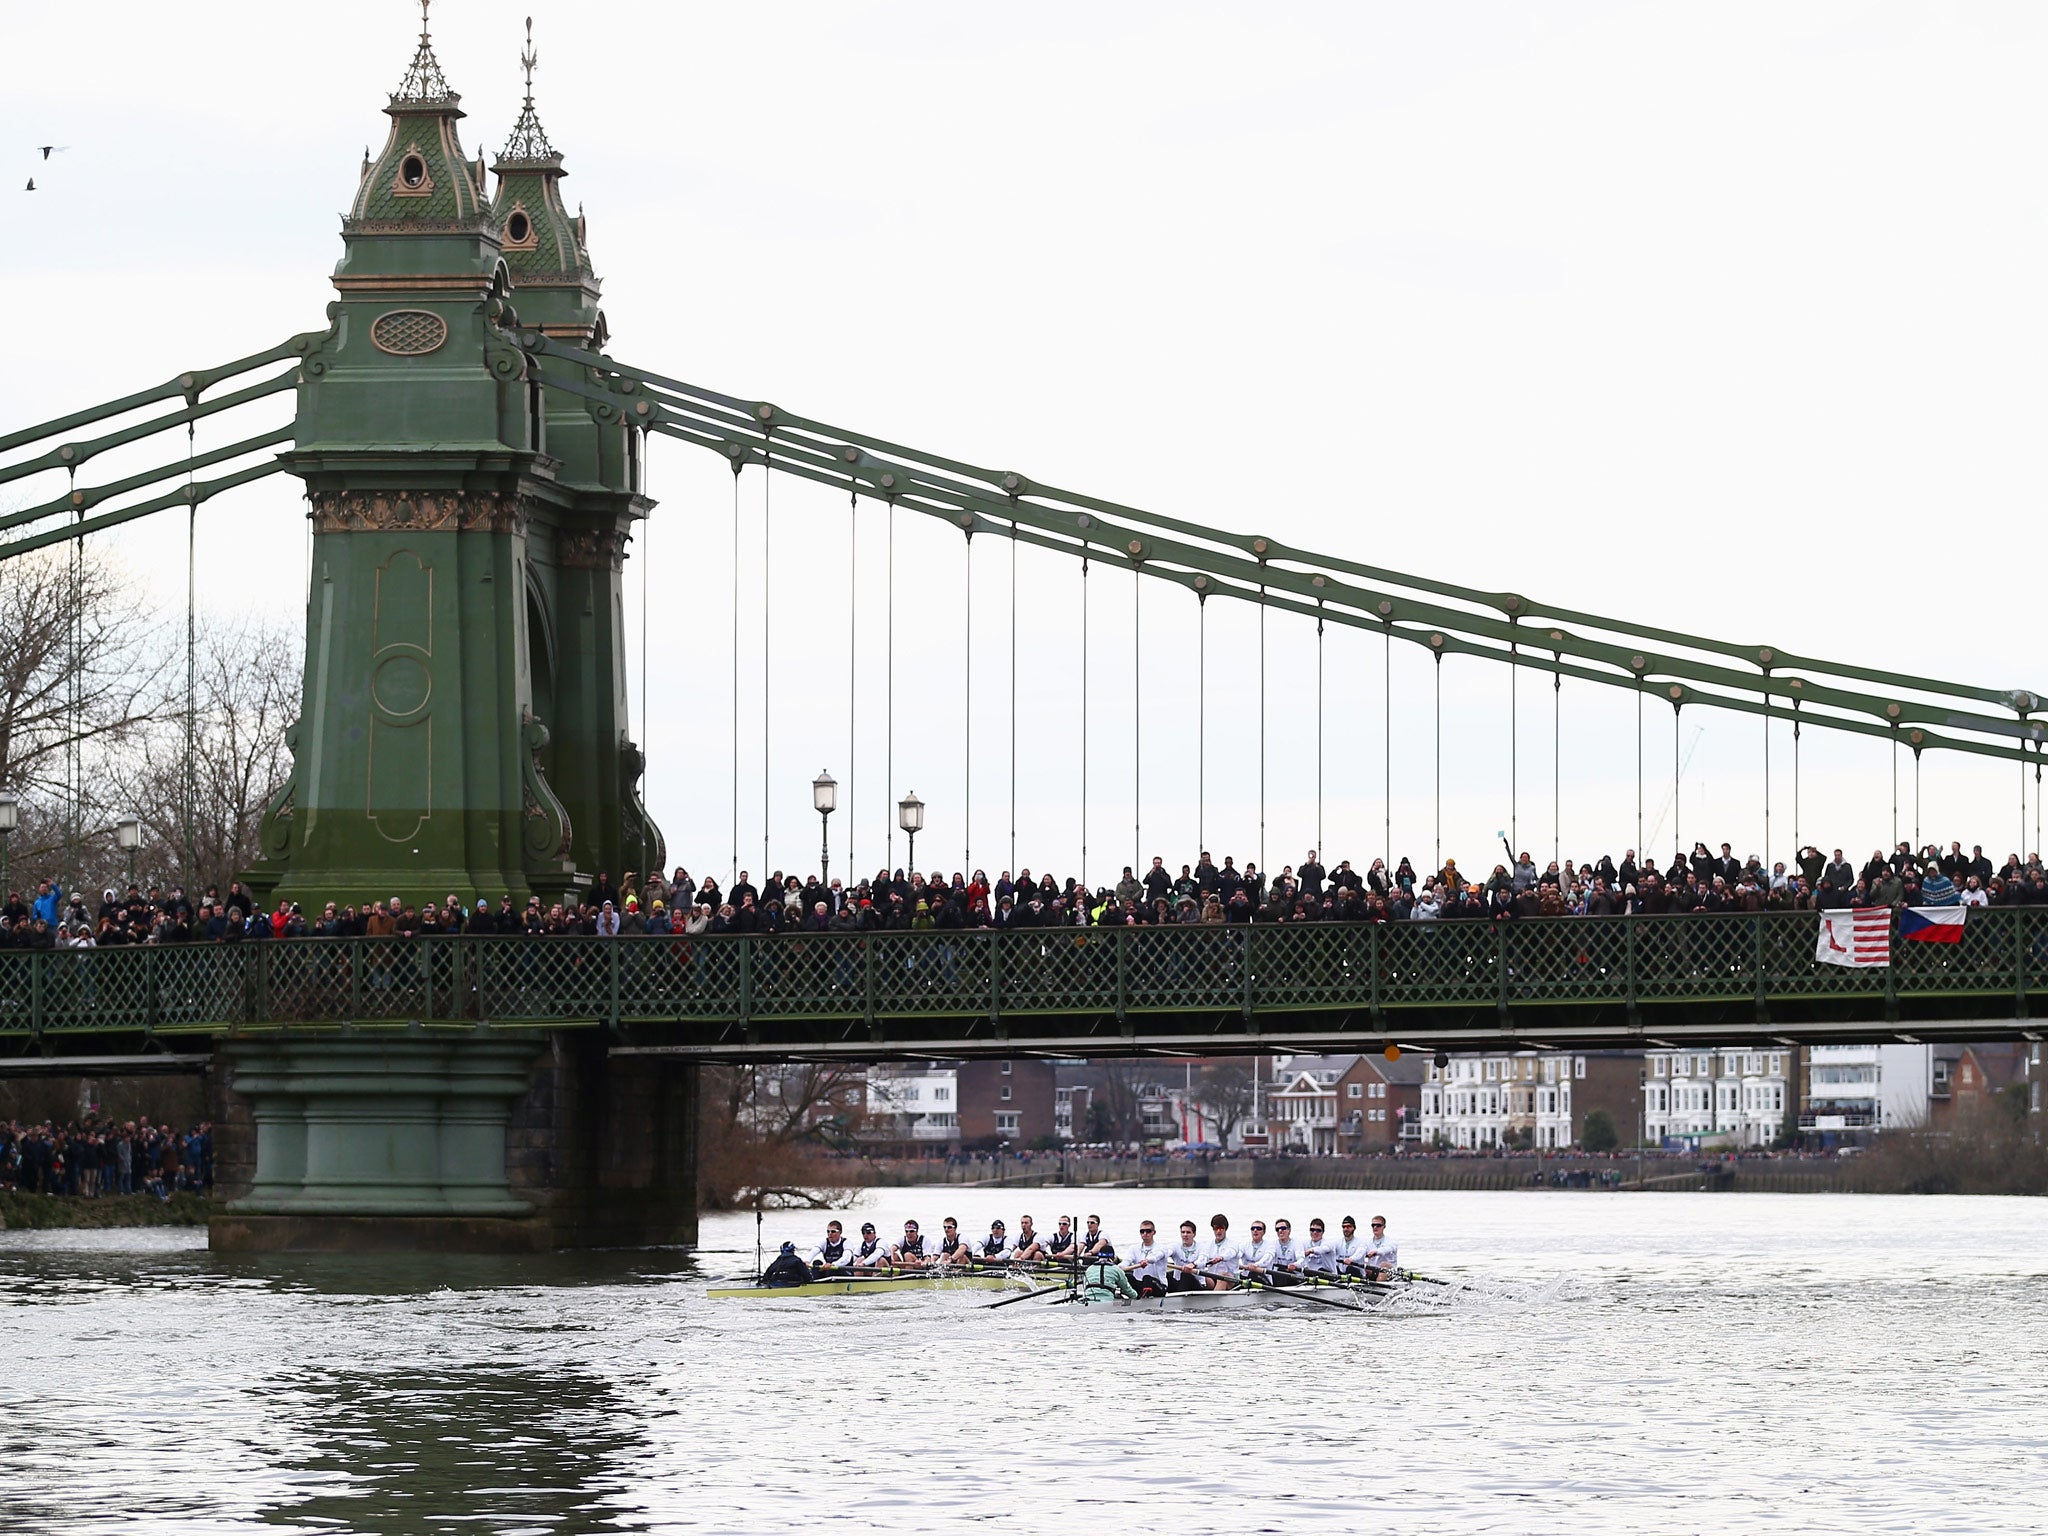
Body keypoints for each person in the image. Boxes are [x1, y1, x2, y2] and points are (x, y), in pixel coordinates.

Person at [1121, 1220, 1168, 1297]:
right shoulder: (1133, 1248)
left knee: (1147, 1278)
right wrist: (1118, 1268)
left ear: (1154, 1232)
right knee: (1127, 1276)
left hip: (1159, 1286)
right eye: (1142, 1231)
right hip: (1140, 1285)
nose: (1145, 1234)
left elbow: (1155, 1257)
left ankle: (1143, 1299)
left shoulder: (1162, 1248)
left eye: (1148, 1231)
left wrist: (1147, 1260)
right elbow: (1126, 1261)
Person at [1197, 1212, 1241, 1291]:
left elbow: (1231, 1252)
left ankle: (1213, 1301)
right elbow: (1203, 1256)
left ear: (1225, 1229)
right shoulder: (1208, 1244)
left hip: (1231, 1279)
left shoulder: (1233, 1244)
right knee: (1197, 1275)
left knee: (1222, 1276)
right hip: (1212, 1277)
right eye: (1216, 1228)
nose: (1218, 1231)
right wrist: (1194, 1264)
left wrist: (1221, 1257)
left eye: (1221, 1228)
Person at [1165, 1220, 1205, 1293]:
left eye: (1188, 1232)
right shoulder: (1175, 1246)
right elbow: (1167, 1252)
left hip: (1197, 1284)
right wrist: (1159, 1257)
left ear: (1194, 1234)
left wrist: (1193, 1264)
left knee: (1186, 1275)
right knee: (1163, 1275)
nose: (1185, 1235)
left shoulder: (1201, 1247)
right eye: (1183, 1232)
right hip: (1178, 1283)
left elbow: (1202, 1260)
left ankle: (1179, 1301)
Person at [1265, 1218, 1303, 1285]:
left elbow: (1301, 1259)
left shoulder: (1297, 1243)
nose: (1280, 1231)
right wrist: (1256, 1265)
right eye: (1277, 1229)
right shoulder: (1273, 1244)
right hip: (1279, 1276)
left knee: (1281, 1271)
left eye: (1283, 1228)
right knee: (1279, 1271)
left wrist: (1295, 1265)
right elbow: (1268, 1257)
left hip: (1295, 1277)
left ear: (1289, 1230)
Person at [1361, 1215, 1399, 1281]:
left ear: (1384, 1226)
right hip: (1373, 1271)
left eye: (1378, 1225)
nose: (1375, 1227)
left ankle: (1378, 1285)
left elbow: (1387, 1249)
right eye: (1373, 1225)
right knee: (1365, 1264)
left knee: (1384, 1265)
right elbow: (1360, 1252)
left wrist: (1376, 1252)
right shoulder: (1367, 1242)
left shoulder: (1391, 1242)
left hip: (1389, 1273)